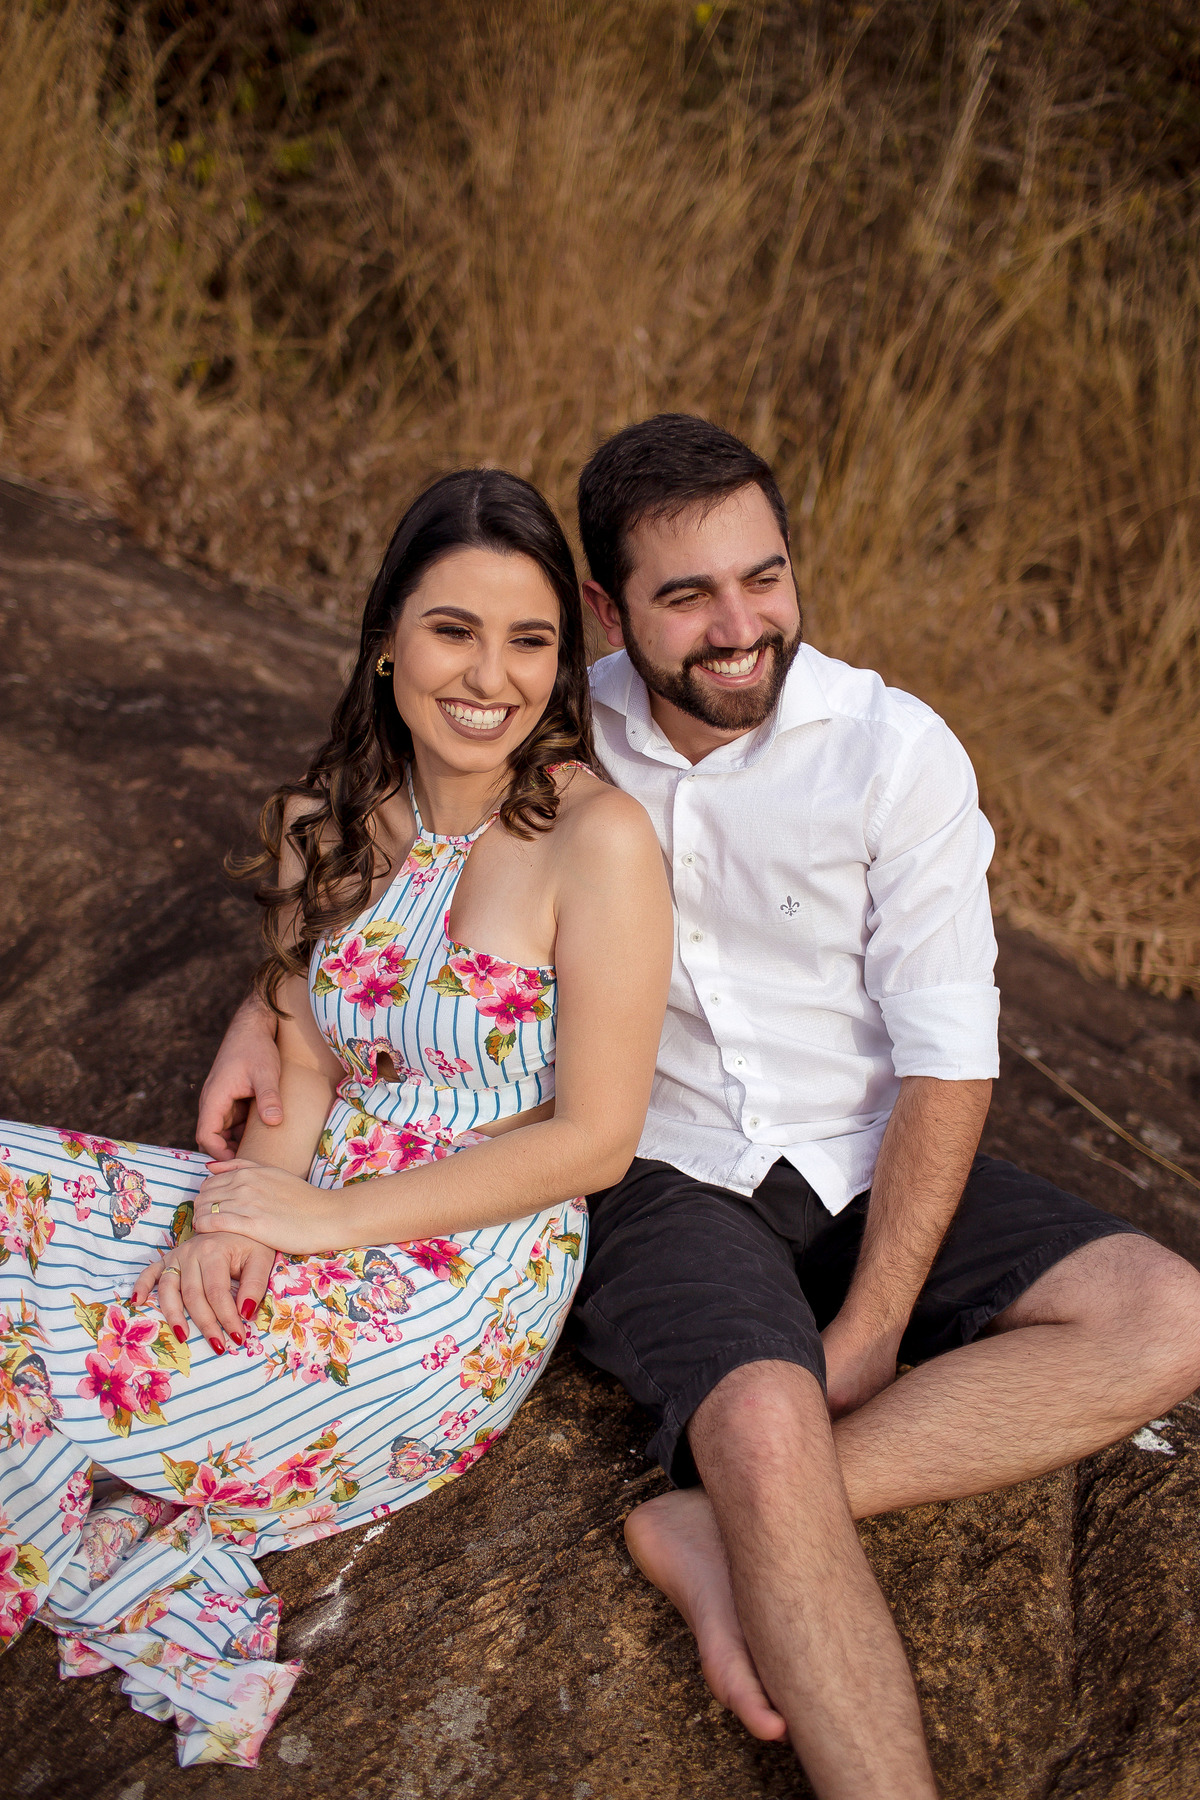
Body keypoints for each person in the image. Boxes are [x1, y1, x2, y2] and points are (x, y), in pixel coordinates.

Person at [197, 417, 1200, 1800]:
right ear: (611, 611)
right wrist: (266, 1008)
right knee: (766, 1425)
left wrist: (875, 1325)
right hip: (668, 1175)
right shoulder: (557, 718)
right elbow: (391, 864)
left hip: (867, 1145)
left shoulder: (891, 755)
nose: (740, 629)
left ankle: (715, 1521)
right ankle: (767, 1507)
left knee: (1169, 1313)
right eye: (687, 597)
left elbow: (951, 1058)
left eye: (764, 578)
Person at [0, 468, 672, 1768]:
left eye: (531, 640)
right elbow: (303, 1069)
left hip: (458, 1262)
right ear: (385, 643)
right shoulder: (329, 824)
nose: (492, 676)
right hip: (311, 1190)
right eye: (453, 630)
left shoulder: (600, 842)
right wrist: (240, 1221)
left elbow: (596, 1140)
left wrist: (321, 1221)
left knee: (51, 1362)